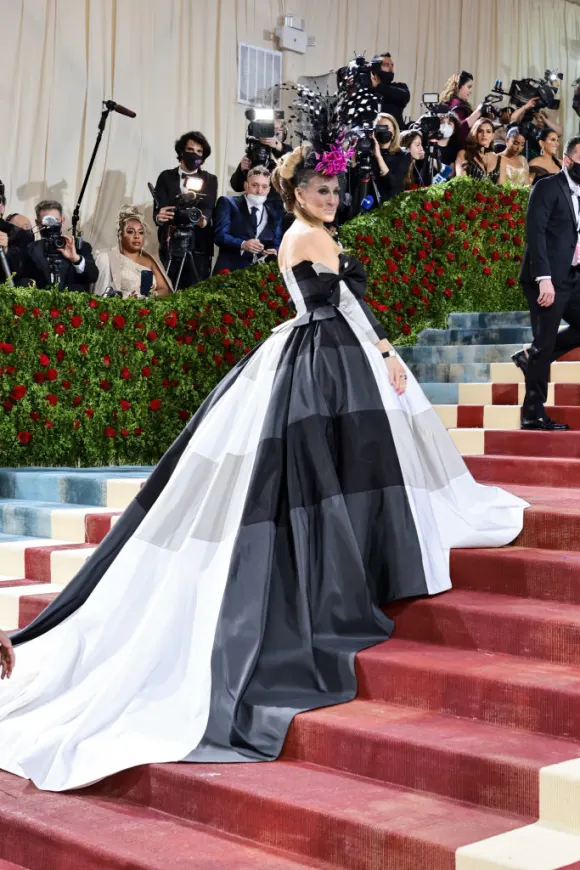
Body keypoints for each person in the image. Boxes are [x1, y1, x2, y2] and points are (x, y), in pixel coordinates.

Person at [0, 140, 526, 794]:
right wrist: (386, 350)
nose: (330, 199)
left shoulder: (315, 233)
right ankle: (341, 575)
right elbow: (337, 305)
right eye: (320, 191)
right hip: (326, 357)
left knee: (351, 473)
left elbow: (349, 303)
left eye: (334, 191)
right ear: (296, 195)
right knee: (325, 476)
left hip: (333, 354)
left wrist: (383, 349)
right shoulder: (305, 240)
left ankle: (360, 558)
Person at [512, 135, 580, 430]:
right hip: (547, 278)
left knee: (545, 346)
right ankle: (533, 413)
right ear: (568, 160)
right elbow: (535, 233)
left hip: (574, 276)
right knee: (545, 341)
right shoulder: (548, 187)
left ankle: (532, 358)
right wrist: (544, 280)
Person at [153, 130, 218, 287]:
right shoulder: (165, 177)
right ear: (181, 151)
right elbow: (158, 209)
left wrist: (203, 220)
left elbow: (208, 209)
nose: (195, 154)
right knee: (167, 290)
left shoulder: (210, 179)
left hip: (198, 248)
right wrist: (158, 217)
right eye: (190, 150)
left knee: (196, 293)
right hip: (171, 245)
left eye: (199, 151)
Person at [14, 200, 98, 292]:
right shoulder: (30, 250)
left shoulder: (79, 247)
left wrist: (76, 259)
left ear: (63, 220)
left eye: (55, 221)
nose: (51, 227)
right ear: (38, 223)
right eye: (47, 222)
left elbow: (92, 277)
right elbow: (17, 281)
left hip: (73, 304)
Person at [213, 166, 283, 275]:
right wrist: (243, 244)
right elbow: (220, 236)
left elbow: (276, 242)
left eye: (264, 187)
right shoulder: (227, 203)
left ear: (269, 189)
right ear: (246, 185)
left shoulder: (274, 213)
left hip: (259, 276)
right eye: (255, 185)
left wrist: (274, 250)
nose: (259, 191)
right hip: (228, 272)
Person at [93, 206, 171, 298]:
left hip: (149, 309)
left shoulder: (150, 259)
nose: (137, 236)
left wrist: (151, 296)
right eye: (130, 232)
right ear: (120, 235)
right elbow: (101, 295)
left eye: (141, 232)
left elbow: (164, 289)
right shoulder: (106, 258)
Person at [370, 112, 411, 203]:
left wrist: (378, 157)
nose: (383, 131)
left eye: (387, 128)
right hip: (368, 204)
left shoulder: (403, 154)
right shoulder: (368, 154)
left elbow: (393, 185)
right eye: (380, 128)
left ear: (394, 131)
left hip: (390, 206)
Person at [439, 71, 483, 148]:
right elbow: (460, 129)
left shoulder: (451, 102)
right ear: (459, 86)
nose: (470, 91)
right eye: (468, 87)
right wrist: (479, 112)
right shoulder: (456, 104)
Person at [455, 118, 506, 183]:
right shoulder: (464, 154)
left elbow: (501, 188)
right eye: (480, 131)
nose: (484, 134)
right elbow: (461, 183)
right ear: (474, 133)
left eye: (488, 131)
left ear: (493, 135)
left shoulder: (500, 160)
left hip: (494, 193)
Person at [370, 52, 410, 128]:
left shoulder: (400, 87)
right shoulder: (368, 89)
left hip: (395, 135)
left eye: (392, 65)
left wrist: (378, 86)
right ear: (376, 68)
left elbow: (404, 96)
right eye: (386, 65)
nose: (391, 68)